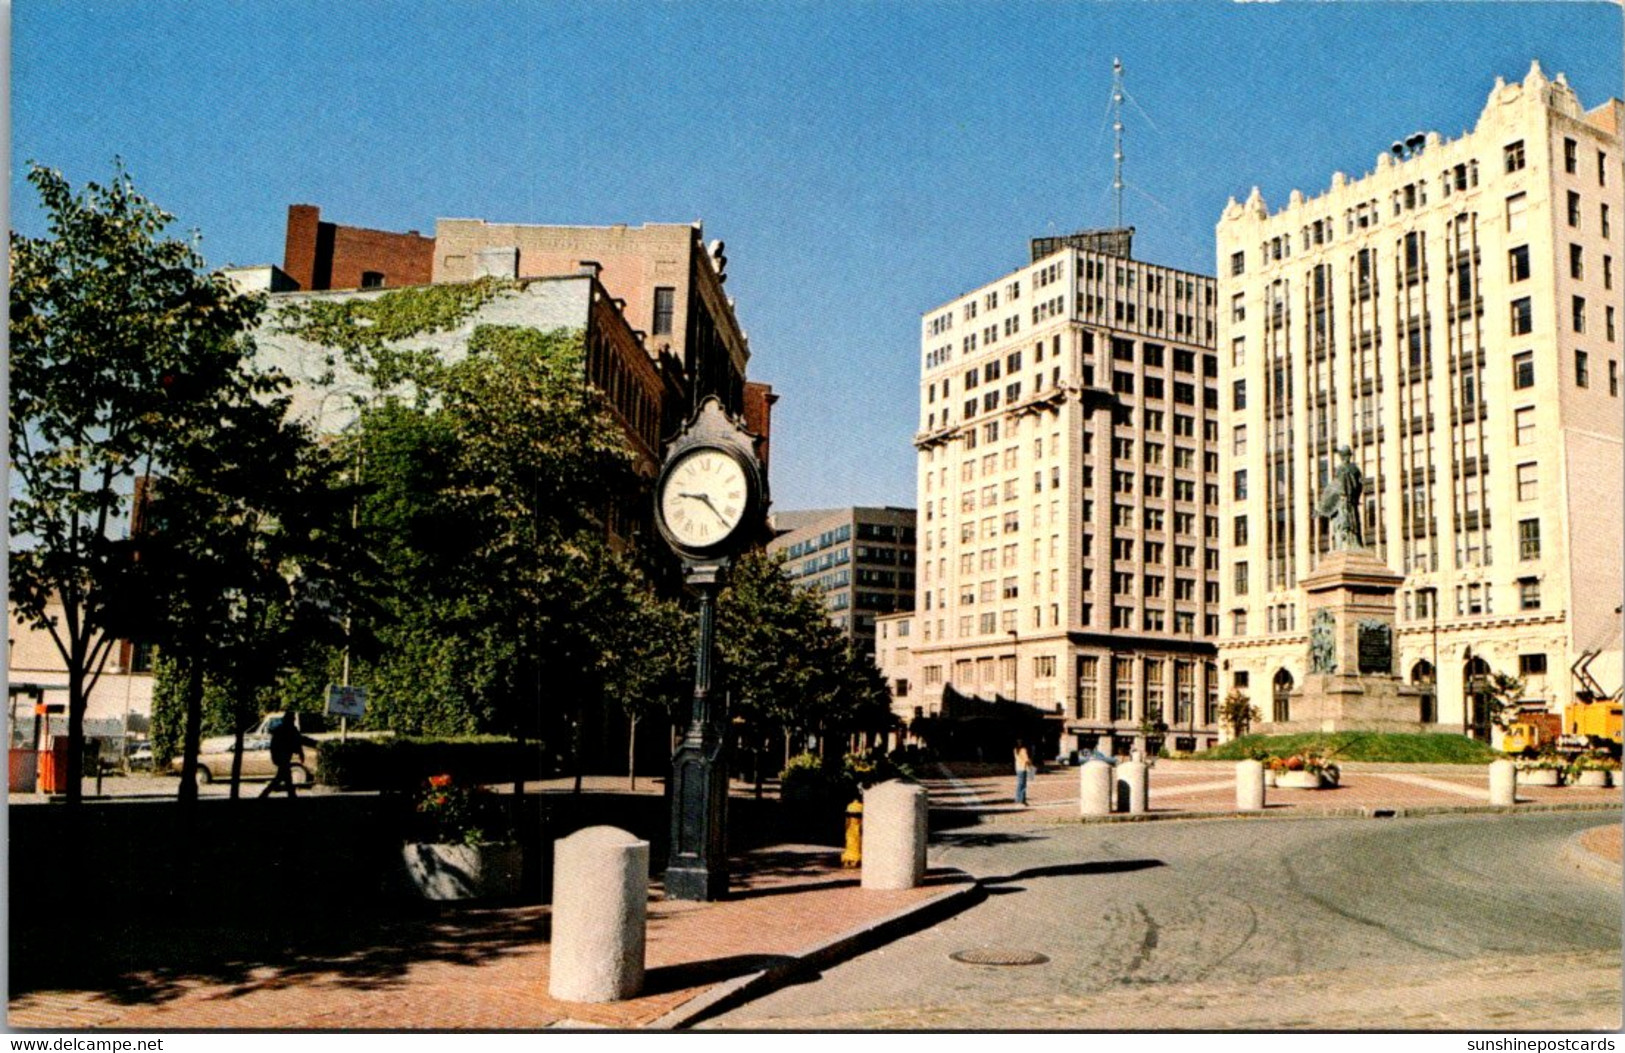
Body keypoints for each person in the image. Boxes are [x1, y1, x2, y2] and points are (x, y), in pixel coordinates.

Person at [261, 711, 314, 798]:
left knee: (284, 776)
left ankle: (290, 794)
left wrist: (300, 752)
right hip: (283, 756)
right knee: (282, 777)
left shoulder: (282, 730)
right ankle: (266, 794)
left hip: (281, 756)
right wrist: (301, 752)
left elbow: (297, 740)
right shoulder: (287, 730)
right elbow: (298, 740)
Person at [1012, 739, 1035, 806]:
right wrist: (1031, 763)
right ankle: (1021, 800)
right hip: (1023, 768)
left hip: (1018, 767)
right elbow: (1026, 759)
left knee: (1020, 784)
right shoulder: (1023, 750)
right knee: (1022, 785)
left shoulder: (1015, 749)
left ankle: (1021, 799)